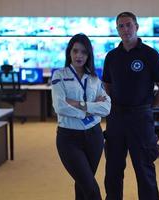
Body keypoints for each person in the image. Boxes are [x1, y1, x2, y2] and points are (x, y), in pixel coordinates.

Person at [102, 11, 159, 200]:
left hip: (140, 118)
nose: (125, 29)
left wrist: (147, 107)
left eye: (128, 25)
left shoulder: (150, 55)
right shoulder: (112, 56)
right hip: (116, 118)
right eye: (121, 26)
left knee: (144, 169)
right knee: (113, 169)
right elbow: (106, 86)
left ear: (137, 27)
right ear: (117, 30)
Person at [51, 33, 111, 200]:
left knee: (83, 185)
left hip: (94, 136)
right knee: (90, 187)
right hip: (69, 138)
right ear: (69, 52)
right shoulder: (59, 75)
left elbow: (106, 108)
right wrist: (92, 108)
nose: (79, 55)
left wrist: (79, 104)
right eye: (75, 51)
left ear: (88, 55)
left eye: (84, 52)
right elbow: (60, 106)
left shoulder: (93, 78)